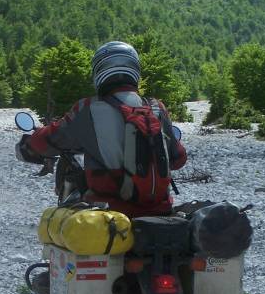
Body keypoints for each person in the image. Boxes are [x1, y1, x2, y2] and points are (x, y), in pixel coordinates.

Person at [16, 41, 187, 218]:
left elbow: (51, 139)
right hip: (161, 211)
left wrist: (30, 143)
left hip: (109, 214)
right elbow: (179, 158)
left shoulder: (89, 108)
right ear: (135, 69)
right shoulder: (157, 108)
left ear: (99, 71)